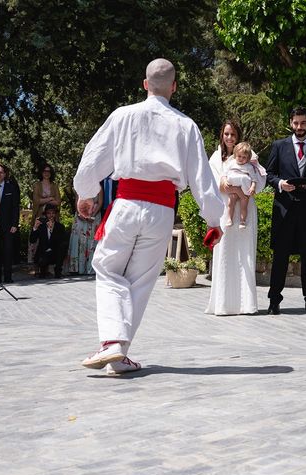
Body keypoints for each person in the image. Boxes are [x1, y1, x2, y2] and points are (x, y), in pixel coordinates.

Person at [74, 58, 224, 375]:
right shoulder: (186, 125)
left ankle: (112, 345)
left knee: (107, 267)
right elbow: (202, 181)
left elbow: (91, 163)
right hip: (161, 210)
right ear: (174, 87)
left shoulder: (122, 116)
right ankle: (118, 354)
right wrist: (213, 220)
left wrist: (86, 193)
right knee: (140, 282)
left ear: (145, 84)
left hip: (126, 205)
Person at [265, 106, 306, 314]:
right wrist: (281, 183)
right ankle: (274, 300)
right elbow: (269, 175)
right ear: (290, 123)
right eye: (295, 123)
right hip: (284, 209)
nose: (299, 127)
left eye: (302, 123)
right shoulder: (279, 146)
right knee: (280, 256)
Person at [205, 122, 266, 316]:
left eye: (233, 134)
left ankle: (246, 304)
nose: (229, 138)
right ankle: (223, 304)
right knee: (224, 252)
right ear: (222, 135)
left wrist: (246, 189)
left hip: (246, 211)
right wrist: (233, 189)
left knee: (245, 255)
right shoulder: (216, 158)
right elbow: (215, 185)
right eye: (226, 134)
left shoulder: (250, 155)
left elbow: (261, 180)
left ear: (238, 135)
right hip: (226, 209)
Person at [222, 142, 265, 229]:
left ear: (248, 158)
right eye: (239, 156)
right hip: (234, 187)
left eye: (244, 157)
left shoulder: (249, 167)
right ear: (235, 155)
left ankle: (242, 221)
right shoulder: (232, 163)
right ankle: (229, 218)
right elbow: (224, 173)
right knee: (231, 202)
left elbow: (254, 179)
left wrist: (253, 187)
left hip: (244, 190)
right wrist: (225, 180)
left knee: (244, 205)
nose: (241, 159)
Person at [0, 164, 21, 283]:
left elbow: (15, 207)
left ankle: (8, 277)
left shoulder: (11, 187)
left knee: (8, 251)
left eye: (1, 172)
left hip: (8, 225)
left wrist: (15, 224)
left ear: (5, 174)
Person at [29, 164, 61, 265]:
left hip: (52, 216)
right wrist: (50, 199)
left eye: (49, 171)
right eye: (44, 171)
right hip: (40, 215)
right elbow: (36, 200)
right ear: (41, 173)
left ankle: (50, 266)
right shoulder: (37, 185)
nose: (47, 173)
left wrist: (44, 200)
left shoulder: (54, 185)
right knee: (38, 239)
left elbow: (58, 202)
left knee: (51, 239)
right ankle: (36, 266)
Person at [66, 191, 102, 275]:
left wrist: (92, 215)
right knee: (78, 240)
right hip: (80, 216)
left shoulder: (99, 187)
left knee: (92, 241)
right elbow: (77, 200)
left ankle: (91, 268)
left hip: (94, 217)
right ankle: (76, 268)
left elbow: (100, 202)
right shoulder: (80, 184)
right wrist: (81, 213)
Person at [29, 204, 65, 278]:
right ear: (45, 214)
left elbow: (61, 242)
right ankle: (42, 271)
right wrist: (35, 227)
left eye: (53, 213)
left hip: (55, 252)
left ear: (55, 214)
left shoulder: (60, 226)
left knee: (62, 247)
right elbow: (32, 240)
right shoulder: (41, 226)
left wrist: (51, 230)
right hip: (43, 253)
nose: (51, 215)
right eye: (49, 213)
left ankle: (58, 271)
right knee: (42, 271)